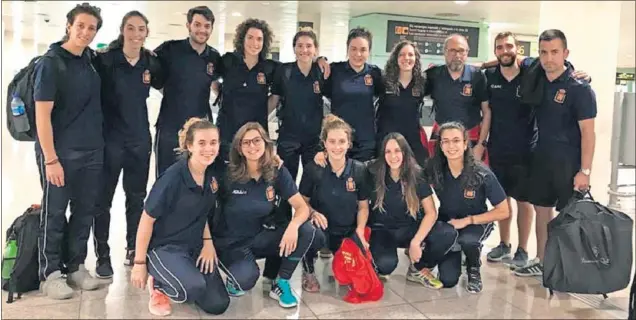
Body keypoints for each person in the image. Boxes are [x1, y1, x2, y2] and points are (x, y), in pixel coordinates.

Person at [34, 2, 104, 300]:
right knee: (54, 213)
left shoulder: (90, 59)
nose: (86, 32)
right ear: (68, 26)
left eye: (92, 28)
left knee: (85, 212)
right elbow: (42, 116)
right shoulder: (51, 63)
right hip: (59, 154)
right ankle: (50, 274)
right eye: (81, 26)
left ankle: (75, 266)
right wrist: (51, 159)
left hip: (91, 152)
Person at [514, 29, 596, 277]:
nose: (549, 58)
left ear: (566, 53)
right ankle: (542, 260)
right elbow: (510, 59)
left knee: (570, 217)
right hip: (541, 158)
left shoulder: (579, 88)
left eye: (554, 52)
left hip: (569, 163)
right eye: (544, 52)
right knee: (542, 210)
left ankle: (570, 268)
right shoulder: (537, 80)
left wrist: (585, 171)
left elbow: (588, 134)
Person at [212, 122, 319, 308]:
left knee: (307, 230)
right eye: (246, 143)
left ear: (266, 143)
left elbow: (302, 208)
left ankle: (281, 282)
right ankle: (234, 274)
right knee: (245, 281)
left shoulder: (276, 171)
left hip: (260, 237)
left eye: (256, 141)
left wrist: (293, 227)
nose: (252, 146)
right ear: (239, 147)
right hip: (231, 242)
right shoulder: (226, 173)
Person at [130, 118, 229, 317]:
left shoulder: (212, 174)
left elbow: (201, 212)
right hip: (165, 248)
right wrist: (139, 264)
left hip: (194, 247)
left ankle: (187, 278)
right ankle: (157, 283)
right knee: (191, 288)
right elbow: (147, 219)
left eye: (213, 142)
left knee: (218, 304)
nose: (208, 149)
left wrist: (208, 242)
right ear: (189, 145)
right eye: (201, 143)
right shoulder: (172, 178)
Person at [91, 10, 161, 278]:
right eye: (130, 28)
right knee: (103, 200)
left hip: (139, 140)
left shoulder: (150, 63)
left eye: (141, 29)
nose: (136, 34)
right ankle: (102, 254)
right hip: (111, 140)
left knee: (137, 197)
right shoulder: (106, 60)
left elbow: (167, 85)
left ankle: (134, 247)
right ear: (123, 31)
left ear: (147, 33)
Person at [423, 121, 509, 293]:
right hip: (448, 223)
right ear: (440, 145)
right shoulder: (435, 168)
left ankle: (473, 268)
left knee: (468, 240)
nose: (451, 146)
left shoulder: (481, 173)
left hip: (476, 223)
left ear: (464, 144)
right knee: (448, 280)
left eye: (456, 140)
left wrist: (468, 220)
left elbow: (504, 210)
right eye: (445, 141)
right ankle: (450, 251)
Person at [298, 115, 370, 292]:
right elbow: (301, 203)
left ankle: (342, 254)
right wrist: (313, 213)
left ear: (349, 143)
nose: (337, 147)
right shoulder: (313, 169)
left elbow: (363, 207)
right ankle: (308, 271)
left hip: (346, 231)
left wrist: (360, 230)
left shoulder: (359, 170)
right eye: (332, 141)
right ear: (324, 143)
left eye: (341, 141)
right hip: (321, 230)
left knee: (353, 282)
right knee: (308, 231)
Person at [483, 32, 535, 269]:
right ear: (495, 51)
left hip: (526, 150)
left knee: (524, 201)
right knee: (501, 200)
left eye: (509, 46)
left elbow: (551, 64)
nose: (505, 50)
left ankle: (523, 248)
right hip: (498, 149)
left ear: (518, 49)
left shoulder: (530, 73)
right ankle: (504, 244)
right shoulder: (489, 76)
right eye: (500, 47)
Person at [367, 133, 446, 289]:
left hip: (409, 229)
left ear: (405, 152)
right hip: (383, 230)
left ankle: (418, 269)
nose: (393, 156)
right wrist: (323, 155)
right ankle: (379, 260)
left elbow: (431, 212)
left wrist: (416, 242)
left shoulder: (417, 174)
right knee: (385, 266)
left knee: (446, 233)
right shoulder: (373, 170)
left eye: (397, 151)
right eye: (388, 152)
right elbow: (347, 164)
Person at [152, 5, 222, 177]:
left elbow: (216, 85)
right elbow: (148, 68)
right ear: (188, 25)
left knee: (197, 177)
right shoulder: (169, 49)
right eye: (197, 25)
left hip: (200, 130)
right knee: (166, 177)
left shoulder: (213, 57)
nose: (202, 30)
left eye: (207, 26)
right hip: (170, 127)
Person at [317, 27, 384, 162]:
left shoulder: (375, 73)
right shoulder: (335, 70)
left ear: (369, 51)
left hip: (366, 140)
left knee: (364, 180)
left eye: (363, 49)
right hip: (339, 141)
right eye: (353, 49)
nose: (358, 54)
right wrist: (320, 59)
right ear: (347, 49)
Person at [425, 34, 490, 162]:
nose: (457, 55)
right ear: (445, 52)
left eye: (461, 50)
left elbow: (487, 112)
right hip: (442, 138)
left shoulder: (477, 76)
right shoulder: (433, 74)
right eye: (452, 50)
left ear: (467, 53)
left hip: (471, 138)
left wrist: (481, 145)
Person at [376, 40, 429, 167]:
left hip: (412, 140)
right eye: (402, 54)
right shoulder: (383, 80)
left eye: (410, 54)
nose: (406, 58)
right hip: (387, 139)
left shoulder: (422, 82)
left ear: (416, 58)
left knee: (417, 175)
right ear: (395, 58)